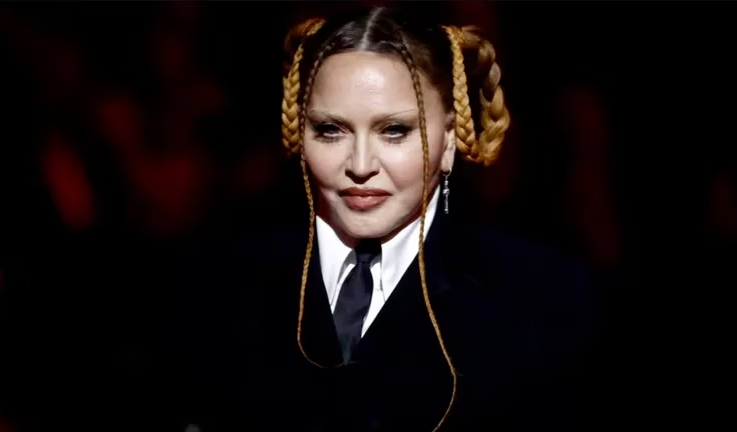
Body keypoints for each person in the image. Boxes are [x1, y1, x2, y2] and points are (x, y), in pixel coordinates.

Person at [170, 6, 603, 432]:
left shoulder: (545, 297)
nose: (360, 165)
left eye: (394, 131)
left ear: (450, 139)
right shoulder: (215, 285)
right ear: (299, 133)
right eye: (330, 130)